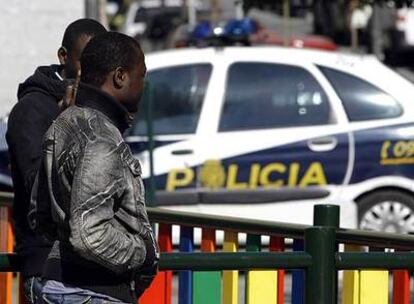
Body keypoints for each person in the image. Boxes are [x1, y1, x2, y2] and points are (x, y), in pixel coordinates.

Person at [34, 32, 158, 304]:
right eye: (142, 75)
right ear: (120, 76)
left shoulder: (63, 122)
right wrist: (144, 254)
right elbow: (89, 235)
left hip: (62, 285)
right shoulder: (101, 138)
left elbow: (40, 213)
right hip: (92, 291)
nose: (143, 85)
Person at [6, 19, 106, 303]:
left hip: (93, 263)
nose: (93, 73)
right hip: (51, 268)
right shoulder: (31, 109)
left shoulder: (98, 105)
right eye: (85, 61)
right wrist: (70, 124)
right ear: (63, 57)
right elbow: (38, 186)